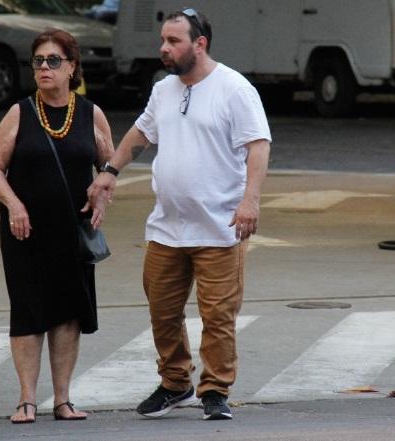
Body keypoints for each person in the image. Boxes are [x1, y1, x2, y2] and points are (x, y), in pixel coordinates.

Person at [88, 8, 271, 421]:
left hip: (219, 226)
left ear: (199, 44)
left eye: (173, 41)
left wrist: (251, 200)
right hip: (167, 227)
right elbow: (142, 133)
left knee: (218, 316)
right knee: (162, 310)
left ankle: (215, 390)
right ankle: (175, 384)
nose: (163, 49)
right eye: (163, 41)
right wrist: (110, 172)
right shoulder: (164, 89)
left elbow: (258, 145)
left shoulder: (234, 88)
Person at [0, 29, 114, 424]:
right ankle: (26, 399)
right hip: (25, 230)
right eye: (38, 61)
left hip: (72, 230)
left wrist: (101, 196)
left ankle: (62, 400)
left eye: (53, 60)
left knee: (67, 313)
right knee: (27, 309)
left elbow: (109, 167)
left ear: (72, 66)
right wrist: (14, 205)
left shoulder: (90, 113)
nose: (44, 67)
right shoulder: (19, 112)